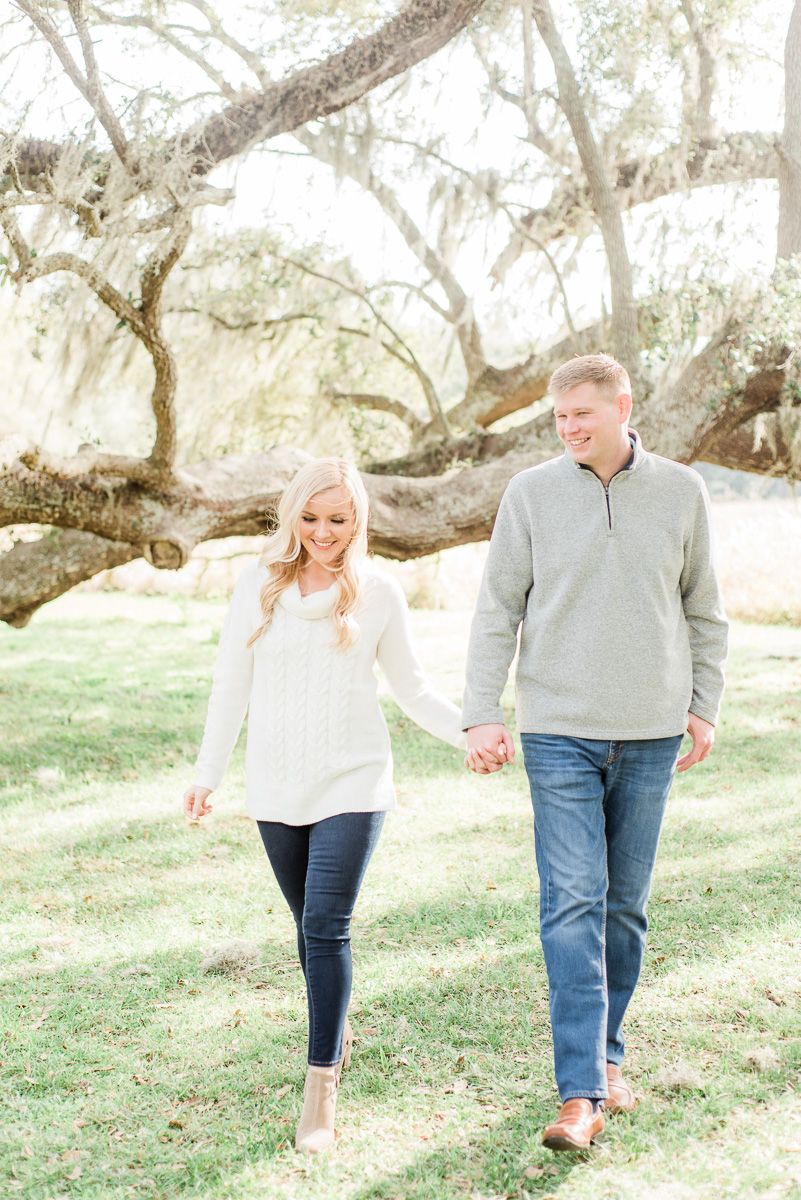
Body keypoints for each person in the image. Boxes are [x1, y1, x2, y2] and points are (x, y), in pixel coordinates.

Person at [462, 354, 728, 1151]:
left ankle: (607, 1057)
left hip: (649, 730)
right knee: (572, 900)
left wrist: (702, 705)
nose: (570, 428)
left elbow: (703, 611)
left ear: (621, 405)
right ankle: (578, 1092)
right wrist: (481, 712)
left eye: (581, 414)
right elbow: (495, 607)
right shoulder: (531, 494)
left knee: (623, 907)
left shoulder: (681, 491)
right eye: (559, 419)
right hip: (557, 730)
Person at [183, 457, 466, 1153]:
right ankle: (336, 1034)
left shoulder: (378, 594)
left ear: (358, 520)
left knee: (324, 926)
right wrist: (206, 774)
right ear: (291, 517)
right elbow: (230, 688)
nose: (322, 532)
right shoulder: (257, 588)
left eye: (337, 519)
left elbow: (413, 688)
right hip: (275, 786)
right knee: (307, 931)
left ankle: (320, 1092)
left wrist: (473, 732)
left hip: (353, 783)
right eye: (309, 519)